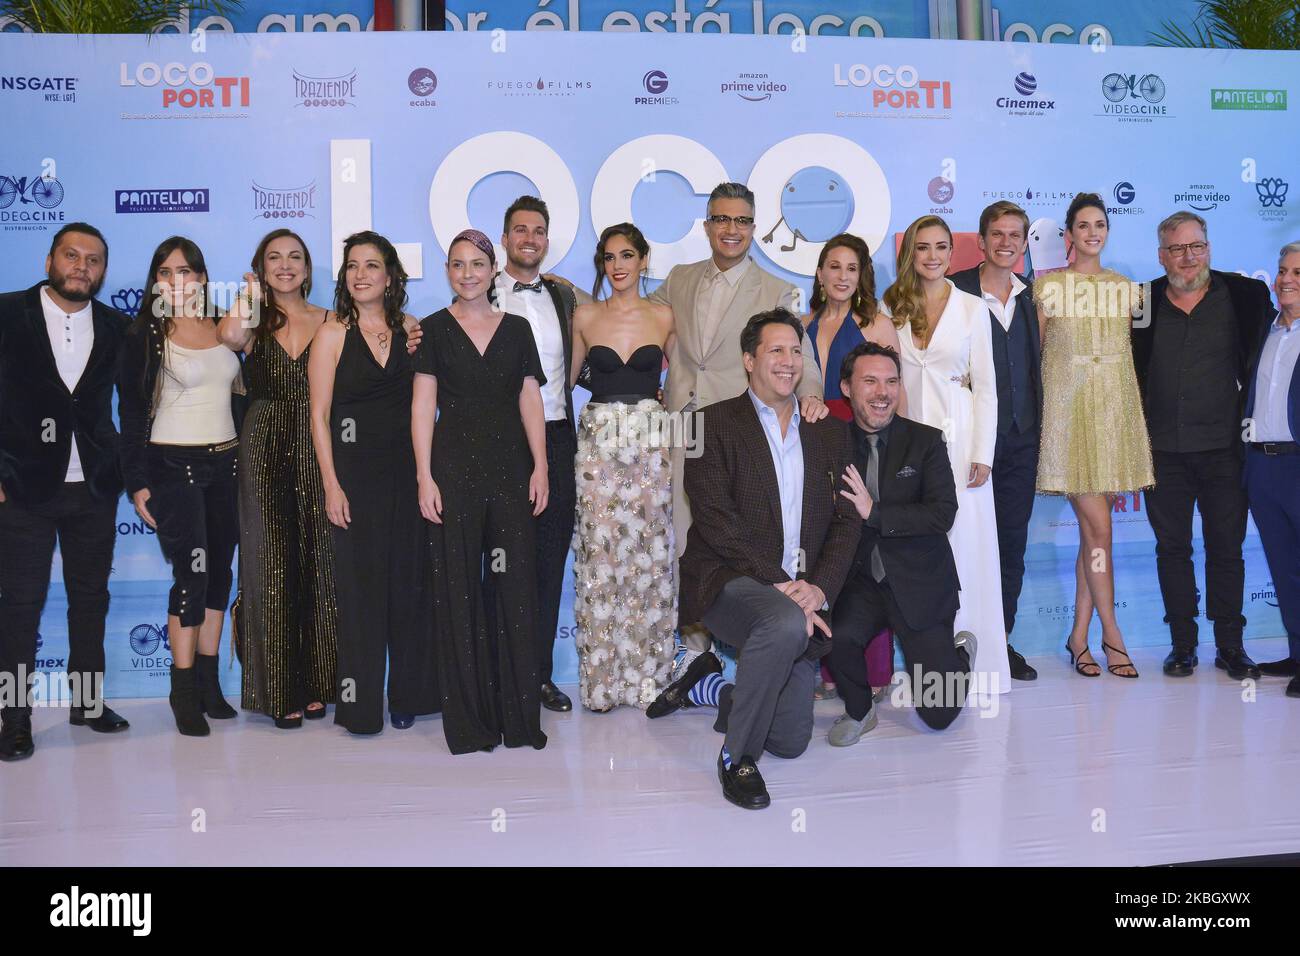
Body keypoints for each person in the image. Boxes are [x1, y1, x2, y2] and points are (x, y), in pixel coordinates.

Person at [647, 182, 827, 695]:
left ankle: (749, 660)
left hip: (741, 433)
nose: (731, 229)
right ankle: (695, 662)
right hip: (685, 429)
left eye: (742, 221)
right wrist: (569, 296)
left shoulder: (774, 290)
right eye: (721, 219)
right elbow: (634, 315)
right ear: (707, 226)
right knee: (687, 539)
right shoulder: (678, 279)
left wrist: (811, 394)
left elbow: (801, 355)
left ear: (754, 228)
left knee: (740, 539)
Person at [677, 309, 859, 809]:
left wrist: (817, 588)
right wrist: (783, 587)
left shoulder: (827, 430)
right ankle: (736, 758)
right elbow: (716, 521)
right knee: (782, 624)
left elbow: (848, 520)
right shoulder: (706, 425)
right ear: (749, 359)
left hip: (802, 593)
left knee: (792, 741)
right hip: (729, 579)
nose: (788, 361)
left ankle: (731, 696)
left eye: (796, 351)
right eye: (776, 350)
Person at [412, 229, 549, 754]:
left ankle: (518, 720)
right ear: (447, 271)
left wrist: (541, 467)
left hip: (512, 471)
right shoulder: (432, 332)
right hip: (452, 473)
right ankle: (469, 723)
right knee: (460, 593)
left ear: (494, 271)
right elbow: (423, 408)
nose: (467, 273)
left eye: (477, 264)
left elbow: (530, 399)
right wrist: (425, 476)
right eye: (456, 264)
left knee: (514, 593)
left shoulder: (517, 329)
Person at [0, 223, 129, 761]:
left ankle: (87, 701)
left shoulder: (119, 326)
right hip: (23, 486)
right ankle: (13, 719)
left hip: (94, 488)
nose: (82, 266)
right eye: (71, 256)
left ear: (102, 270)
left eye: (93, 260)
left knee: (90, 600)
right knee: (19, 607)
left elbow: (138, 406)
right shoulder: (7, 314)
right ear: (50, 258)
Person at [308, 231, 438, 734]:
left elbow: (423, 405)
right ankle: (360, 708)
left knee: (410, 585)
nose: (361, 274)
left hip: (409, 474)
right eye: (352, 266)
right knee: (360, 593)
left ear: (389, 276)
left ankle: (409, 696)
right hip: (354, 477)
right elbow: (319, 415)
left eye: (372, 265)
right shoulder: (332, 333)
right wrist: (331, 485)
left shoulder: (412, 330)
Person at [1132, 211, 1272, 679]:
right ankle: (1182, 646)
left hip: (1225, 451)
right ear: (1161, 255)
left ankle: (1231, 645)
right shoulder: (1143, 302)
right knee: (1172, 549)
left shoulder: (1245, 295)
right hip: (1163, 453)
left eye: (1197, 246)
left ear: (1209, 248)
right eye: (1177, 248)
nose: (1188, 257)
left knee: (1226, 549)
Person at [119, 236, 244, 736]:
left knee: (219, 577)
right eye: (168, 272)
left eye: (189, 271)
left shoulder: (224, 325)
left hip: (228, 465)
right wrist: (136, 481)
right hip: (174, 468)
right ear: (155, 280)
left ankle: (211, 685)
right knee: (192, 578)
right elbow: (130, 413)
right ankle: (183, 689)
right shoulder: (143, 336)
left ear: (203, 277)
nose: (179, 281)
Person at [882, 215, 1010, 694]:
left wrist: (984, 452)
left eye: (940, 247)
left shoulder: (973, 308)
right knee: (916, 550)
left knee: (966, 549)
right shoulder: (891, 306)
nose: (932, 256)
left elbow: (989, 389)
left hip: (960, 444)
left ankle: (978, 666)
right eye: (922, 248)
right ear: (909, 254)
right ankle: (924, 665)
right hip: (906, 439)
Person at [218, 230, 339, 728]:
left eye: (295, 258)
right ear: (261, 267)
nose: (286, 266)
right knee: (269, 563)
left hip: (319, 442)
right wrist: (250, 294)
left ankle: (318, 682)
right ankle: (278, 688)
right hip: (264, 442)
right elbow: (228, 337)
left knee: (319, 557)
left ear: (309, 270)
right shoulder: (252, 320)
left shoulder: (334, 321)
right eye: (274, 258)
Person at [828, 341, 974, 744]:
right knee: (834, 634)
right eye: (870, 381)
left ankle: (957, 659)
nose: (883, 392)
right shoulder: (830, 443)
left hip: (920, 582)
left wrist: (874, 512)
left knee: (939, 715)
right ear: (846, 387)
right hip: (861, 581)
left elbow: (942, 513)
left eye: (892, 381)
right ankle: (859, 710)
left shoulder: (925, 442)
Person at [1034, 192, 1153, 678]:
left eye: (1099, 224)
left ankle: (1078, 638)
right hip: (1066, 421)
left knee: (1091, 534)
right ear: (1069, 234)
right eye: (1083, 225)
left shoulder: (1128, 289)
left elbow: (1127, 360)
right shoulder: (1047, 290)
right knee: (1101, 530)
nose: (1092, 232)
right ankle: (1113, 634)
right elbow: (1037, 357)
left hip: (1113, 419)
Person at [569, 223, 677, 711]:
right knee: (601, 556)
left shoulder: (665, 315)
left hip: (652, 444)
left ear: (643, 260)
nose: (617, 266)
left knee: (650, 558)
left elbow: (684, 385)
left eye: (626, 255)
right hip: (598, 448)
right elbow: (564, 381)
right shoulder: (585, 316)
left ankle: (649, 679)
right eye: (609, 257)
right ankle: (602, 682)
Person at [803, 233, 904, 699]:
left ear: (862, 275)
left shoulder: (877, 325)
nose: (842, 276)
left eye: (852, 268)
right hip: (816, 448)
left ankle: (876, 673)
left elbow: (890, 396)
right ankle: (830, 669)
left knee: (866, 554)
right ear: (820, 273)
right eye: (834, 266)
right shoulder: (802, 324)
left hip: (865, 445)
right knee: (827, 549)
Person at [491, 196, 579, 714]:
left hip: (558, 437)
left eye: (538, 231)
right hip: (500, 441)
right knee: (500, 561)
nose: (529, 238)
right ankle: (498, 675)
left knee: (548, 562)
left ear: (547, 241)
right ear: (504, 239)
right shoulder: (481, 293)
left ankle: (539, 677)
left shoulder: (565, 298)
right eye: (519, 229)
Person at [950, 201, 1042, 682]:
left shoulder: (1031, 297)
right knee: (961, 544)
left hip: (1021, 443)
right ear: (981, 241)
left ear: (1025, 243)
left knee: (1011, 545)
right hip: (967, 444)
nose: (1006, 243)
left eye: (1015, 235)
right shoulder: (952, 291)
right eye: (997, 235)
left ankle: (998, 646)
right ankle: (954, 648)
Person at [1244, 242, 1300, 698]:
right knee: (1284, 569)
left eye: (1298, 272)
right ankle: (1297, 651)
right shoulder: (1265, 329)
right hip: (1262, 466)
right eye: (1283, 270)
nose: (1287, 279)